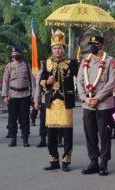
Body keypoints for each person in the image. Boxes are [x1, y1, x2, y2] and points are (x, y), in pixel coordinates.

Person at [77, 36, 115, 176]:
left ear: (102, 46)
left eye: (95, 44)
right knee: (90, 133)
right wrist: (84, 98)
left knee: (104, 134)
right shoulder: (84, 61)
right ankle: (93, 161)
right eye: (91, 44)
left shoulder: (110, 61)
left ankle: (104, 162)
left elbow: (111, 83)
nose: (92, 47)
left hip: (104, 104)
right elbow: (80, 81)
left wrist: (98, 98)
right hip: (88, 104)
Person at [40, 30, 77, 172]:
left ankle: (66, 160)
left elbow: (80, 77)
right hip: (51, 103)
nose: (57, 50)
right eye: (55, 48)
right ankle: (53, 160)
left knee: (67, 133)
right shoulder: (46, 63)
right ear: (52, 49)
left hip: (65, 102)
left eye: (60, 48)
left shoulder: (72, 63)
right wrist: (47, 82)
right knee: (51, 133)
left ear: (63, 49)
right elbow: (41, 82)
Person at [2, 46, 35, 147]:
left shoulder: (26, 65)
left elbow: (32, 80)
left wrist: (33, 94)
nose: (14, 55)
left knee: (25, 118)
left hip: (25, 95)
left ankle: (25, 139)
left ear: (20, 54)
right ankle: (13, 139)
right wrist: (5, 95)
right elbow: (5, 81)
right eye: (13, 53)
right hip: (13, 95)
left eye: (16, 53)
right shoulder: (9, 66)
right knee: (12, 119)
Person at [34, 61, 47, 147]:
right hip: (44, 99)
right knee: (43, 121)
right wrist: (36, 101)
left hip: (56, 100)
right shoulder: (42, 73)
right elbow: (38, 87)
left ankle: (59, 139)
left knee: (57, 121)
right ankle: (43, 140)